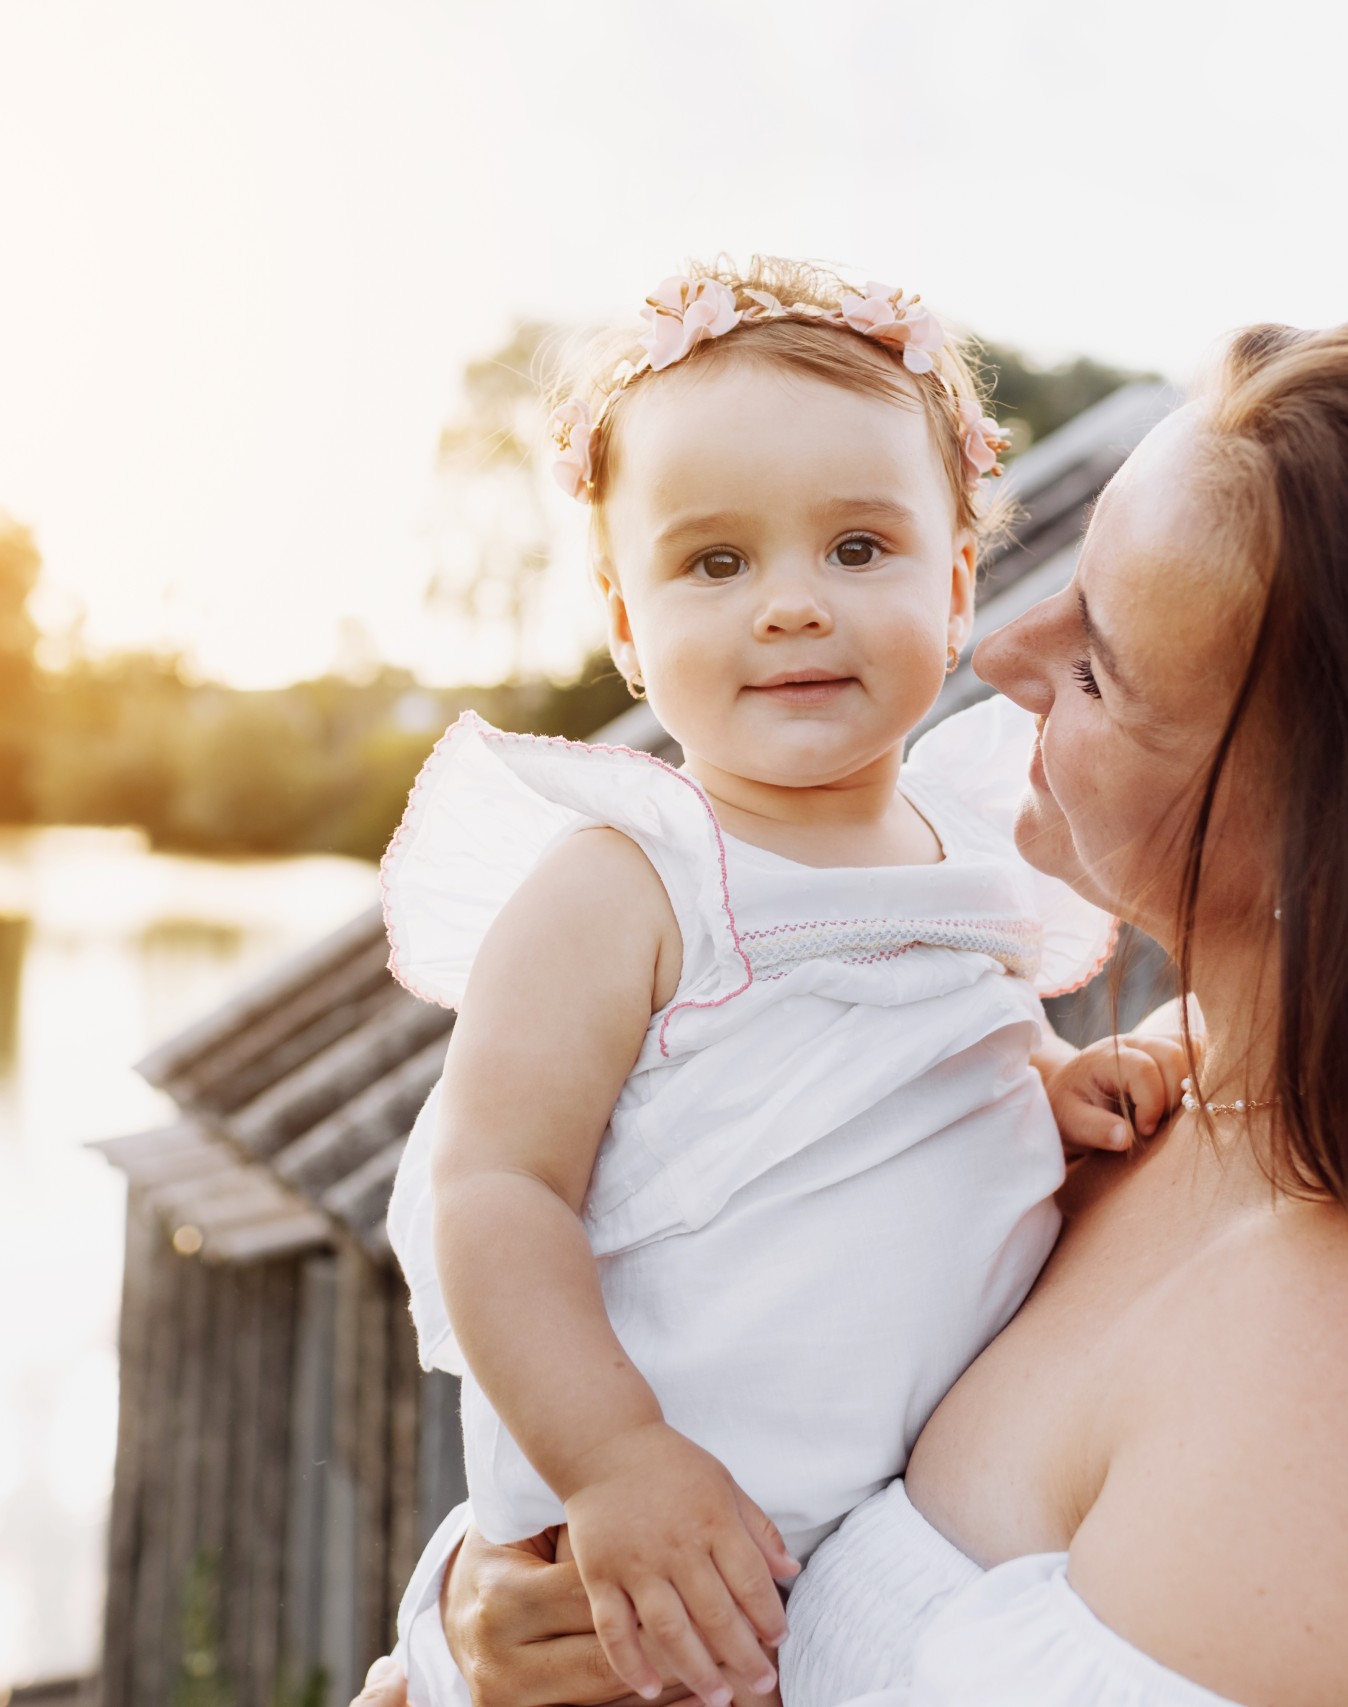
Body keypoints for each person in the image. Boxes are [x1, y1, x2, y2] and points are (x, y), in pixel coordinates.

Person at [362, 309, 1348, 1706]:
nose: (998, 655)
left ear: (1345, 823)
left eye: (1099, 662)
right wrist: (472, 1626)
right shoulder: (1188, 1087)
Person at [375, 257, 1193, 1707]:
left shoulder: (972, 852)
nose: (795, 607)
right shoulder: (628, 884)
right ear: (628, 625)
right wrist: (615, 1454)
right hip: (632, 1549)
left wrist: (1053, 1089)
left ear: (954, 590)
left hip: (826, 1571)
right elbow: (494, 1190)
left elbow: (908, 1076)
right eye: (716, 563)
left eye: (859, 550)